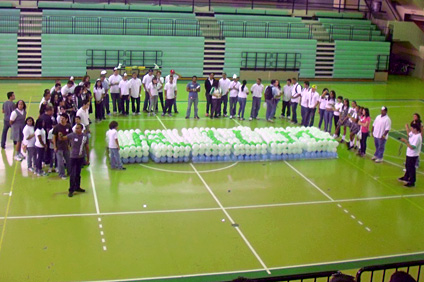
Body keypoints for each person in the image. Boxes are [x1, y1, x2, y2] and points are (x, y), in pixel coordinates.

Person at [58, 124, 89, 198]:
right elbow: (62, 138)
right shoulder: (72, 135)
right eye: (76, 128)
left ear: (81, 129)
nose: (76, 129)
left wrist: (88, 158)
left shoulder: (85, 137)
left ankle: (77, 187)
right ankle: (71, 190)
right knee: (73, 174)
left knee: (78, 173)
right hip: (73, 158)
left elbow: (87, 147)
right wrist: (60, 135)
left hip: (80, 157)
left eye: (78, 128)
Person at [398, 123, 422, 187]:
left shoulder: (418, 137)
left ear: (415, 129)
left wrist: (405, 141)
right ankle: (406, 177)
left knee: (411, 168)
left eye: (412, 128)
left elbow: (412, 147)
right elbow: (409, 134)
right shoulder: (413, 134)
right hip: (409, 153)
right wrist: (407, 127)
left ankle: (412, 181)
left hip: (413, 154)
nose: (411, 129)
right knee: (407, 166)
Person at [53, 113, 72, 179]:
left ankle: (70, 172)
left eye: (63, 118)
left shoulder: (69, 126)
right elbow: (54, 137)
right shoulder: (57, 127)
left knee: (68, 160)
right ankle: (62, 174)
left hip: (66, 146)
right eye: (61, 118)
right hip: (59, 147)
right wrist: (55, 146)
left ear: (66, 119)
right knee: (60, 161)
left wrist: (70, 145)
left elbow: (70, 136)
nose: (61, 120)